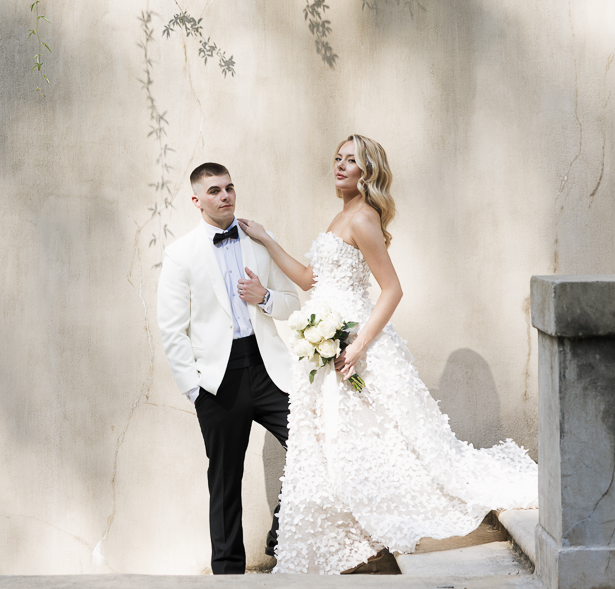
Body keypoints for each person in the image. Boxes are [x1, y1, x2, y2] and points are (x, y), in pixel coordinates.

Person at [239, 134, 538, 575]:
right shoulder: (342, 214)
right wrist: (266, 239)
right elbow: (309, 279)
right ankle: (355, 526)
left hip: (355, 345)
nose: (340, 166)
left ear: (368, 171)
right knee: (340, 441)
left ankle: (372, 527)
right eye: (337, 158)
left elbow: (393, 289)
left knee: (367, 439)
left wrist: (357, 345)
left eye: (351, 161)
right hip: (328, 346)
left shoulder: (362, 218)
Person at [157, 162, 300, 574]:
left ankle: (280, 533)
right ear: (197, 200)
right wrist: (195, 391)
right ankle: (228, 575)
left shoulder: (258, 240)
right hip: (219, 381)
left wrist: (265, 296)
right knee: (224, 481)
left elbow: (292, 301)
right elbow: (172, 329)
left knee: (312, 446)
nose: (225, 196)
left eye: (230, 188)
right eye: (215, 191)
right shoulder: (180, 254)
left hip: (268, 366)